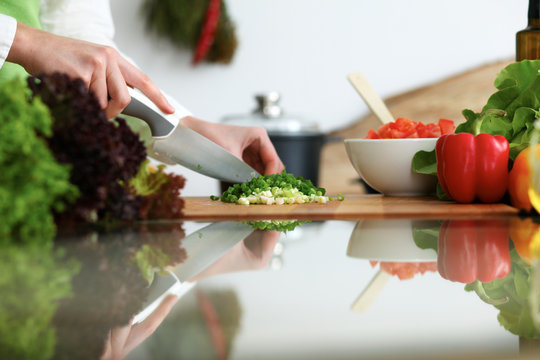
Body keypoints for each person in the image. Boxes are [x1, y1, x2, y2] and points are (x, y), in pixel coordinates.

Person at [0, 0, 284, 175]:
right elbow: (46, 45)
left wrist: (185, 127)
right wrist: (22, 42)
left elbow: (77, 34)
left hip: (21, 153)